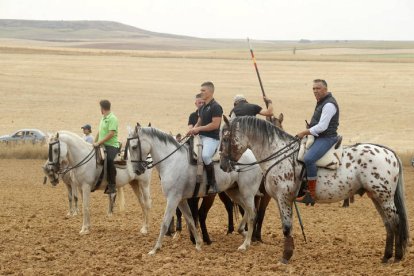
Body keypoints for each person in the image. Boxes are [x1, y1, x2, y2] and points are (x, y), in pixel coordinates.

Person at [295, 79, 340, 204]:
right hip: (318, 136)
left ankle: (311, 194)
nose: (315, 91)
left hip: (326, 137)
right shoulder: (321, 102)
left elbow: (322, 127)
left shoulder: (329, 104)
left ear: (325, 89)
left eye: (318, 88)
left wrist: (305, 132)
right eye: (313, 89)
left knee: (309, 159)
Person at [187, 81, 223, 194]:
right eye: (200, 90)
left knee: (206, 156)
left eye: (203, 90)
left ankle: (213, 183)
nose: (201, 92)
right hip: (200, 137)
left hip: (212, 138)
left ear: (210, 92)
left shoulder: (216, 107)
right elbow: (200, 121)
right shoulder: (203, 107)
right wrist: (193, 130)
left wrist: (198, 129)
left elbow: (215, 125)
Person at [94, 100, 120, 195]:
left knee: (109, 160)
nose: (100, 110)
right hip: (101, 144)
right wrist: (94, 142)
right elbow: (99, 131)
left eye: (100, 108)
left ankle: (112, 185)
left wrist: (99, 142)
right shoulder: (103, 118)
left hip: (111, 145)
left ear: (102, 108)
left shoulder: (112, 118)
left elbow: (111, 134)